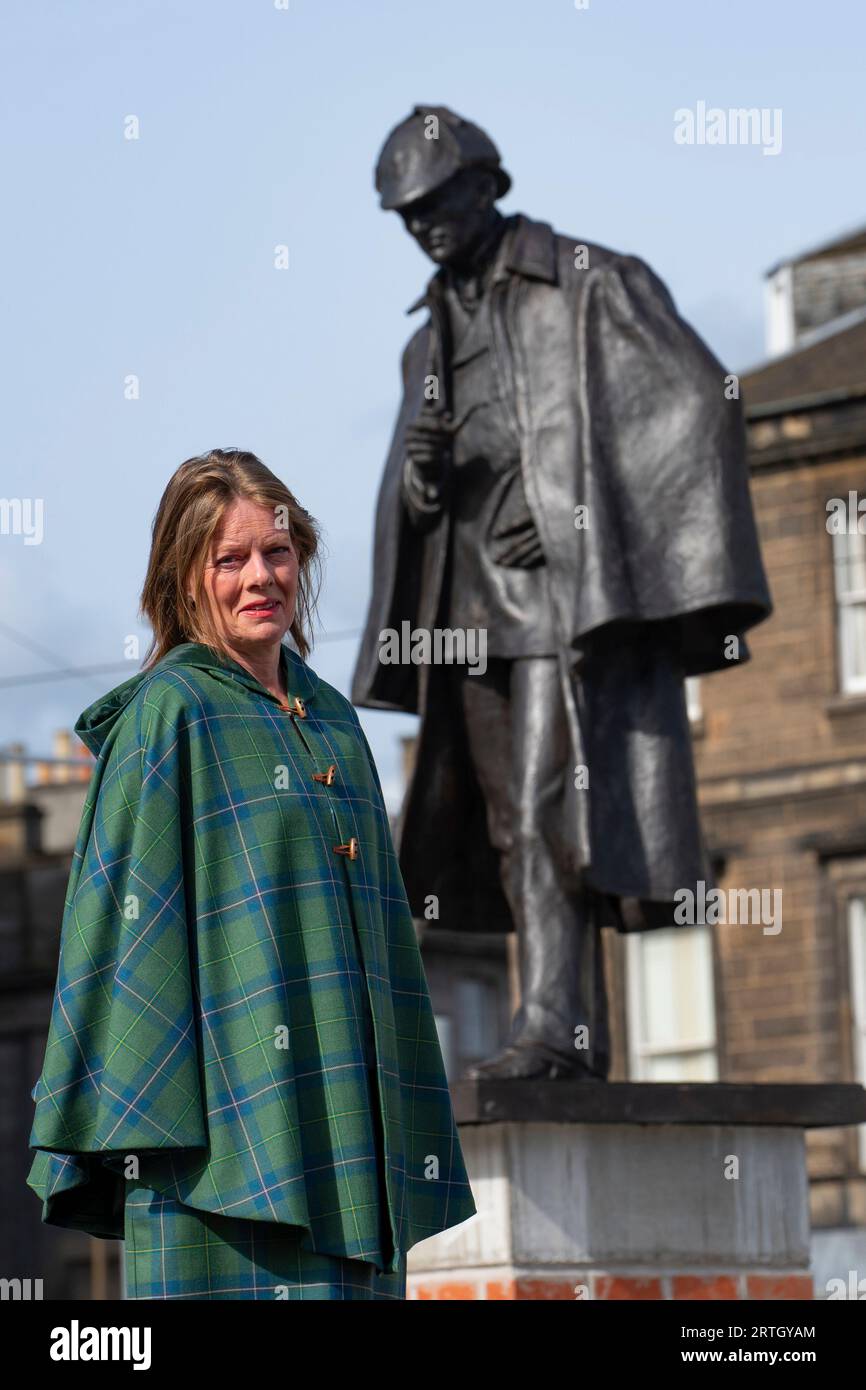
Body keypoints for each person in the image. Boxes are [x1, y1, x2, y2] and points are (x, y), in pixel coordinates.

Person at [351, 106, 773, 1082]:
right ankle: (562, 1030)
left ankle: (553, 1027)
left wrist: (583, 516)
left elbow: (696, 406)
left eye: (439, 202)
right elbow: (415, 492)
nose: (427, 226)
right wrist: (419, 485)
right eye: (408, 217)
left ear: (486, 184)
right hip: (465, 609)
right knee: (500, 823)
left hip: (557, 601)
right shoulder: (425, 341)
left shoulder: (587, 283)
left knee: (548, 805)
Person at [27, 447, 476, 1300]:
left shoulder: (336, 721)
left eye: (276, 551)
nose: (258, 577)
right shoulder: (171, 714)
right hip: (219, 1164)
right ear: (184, 579)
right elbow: (120, 947)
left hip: (350, 1147)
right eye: (228, 560)